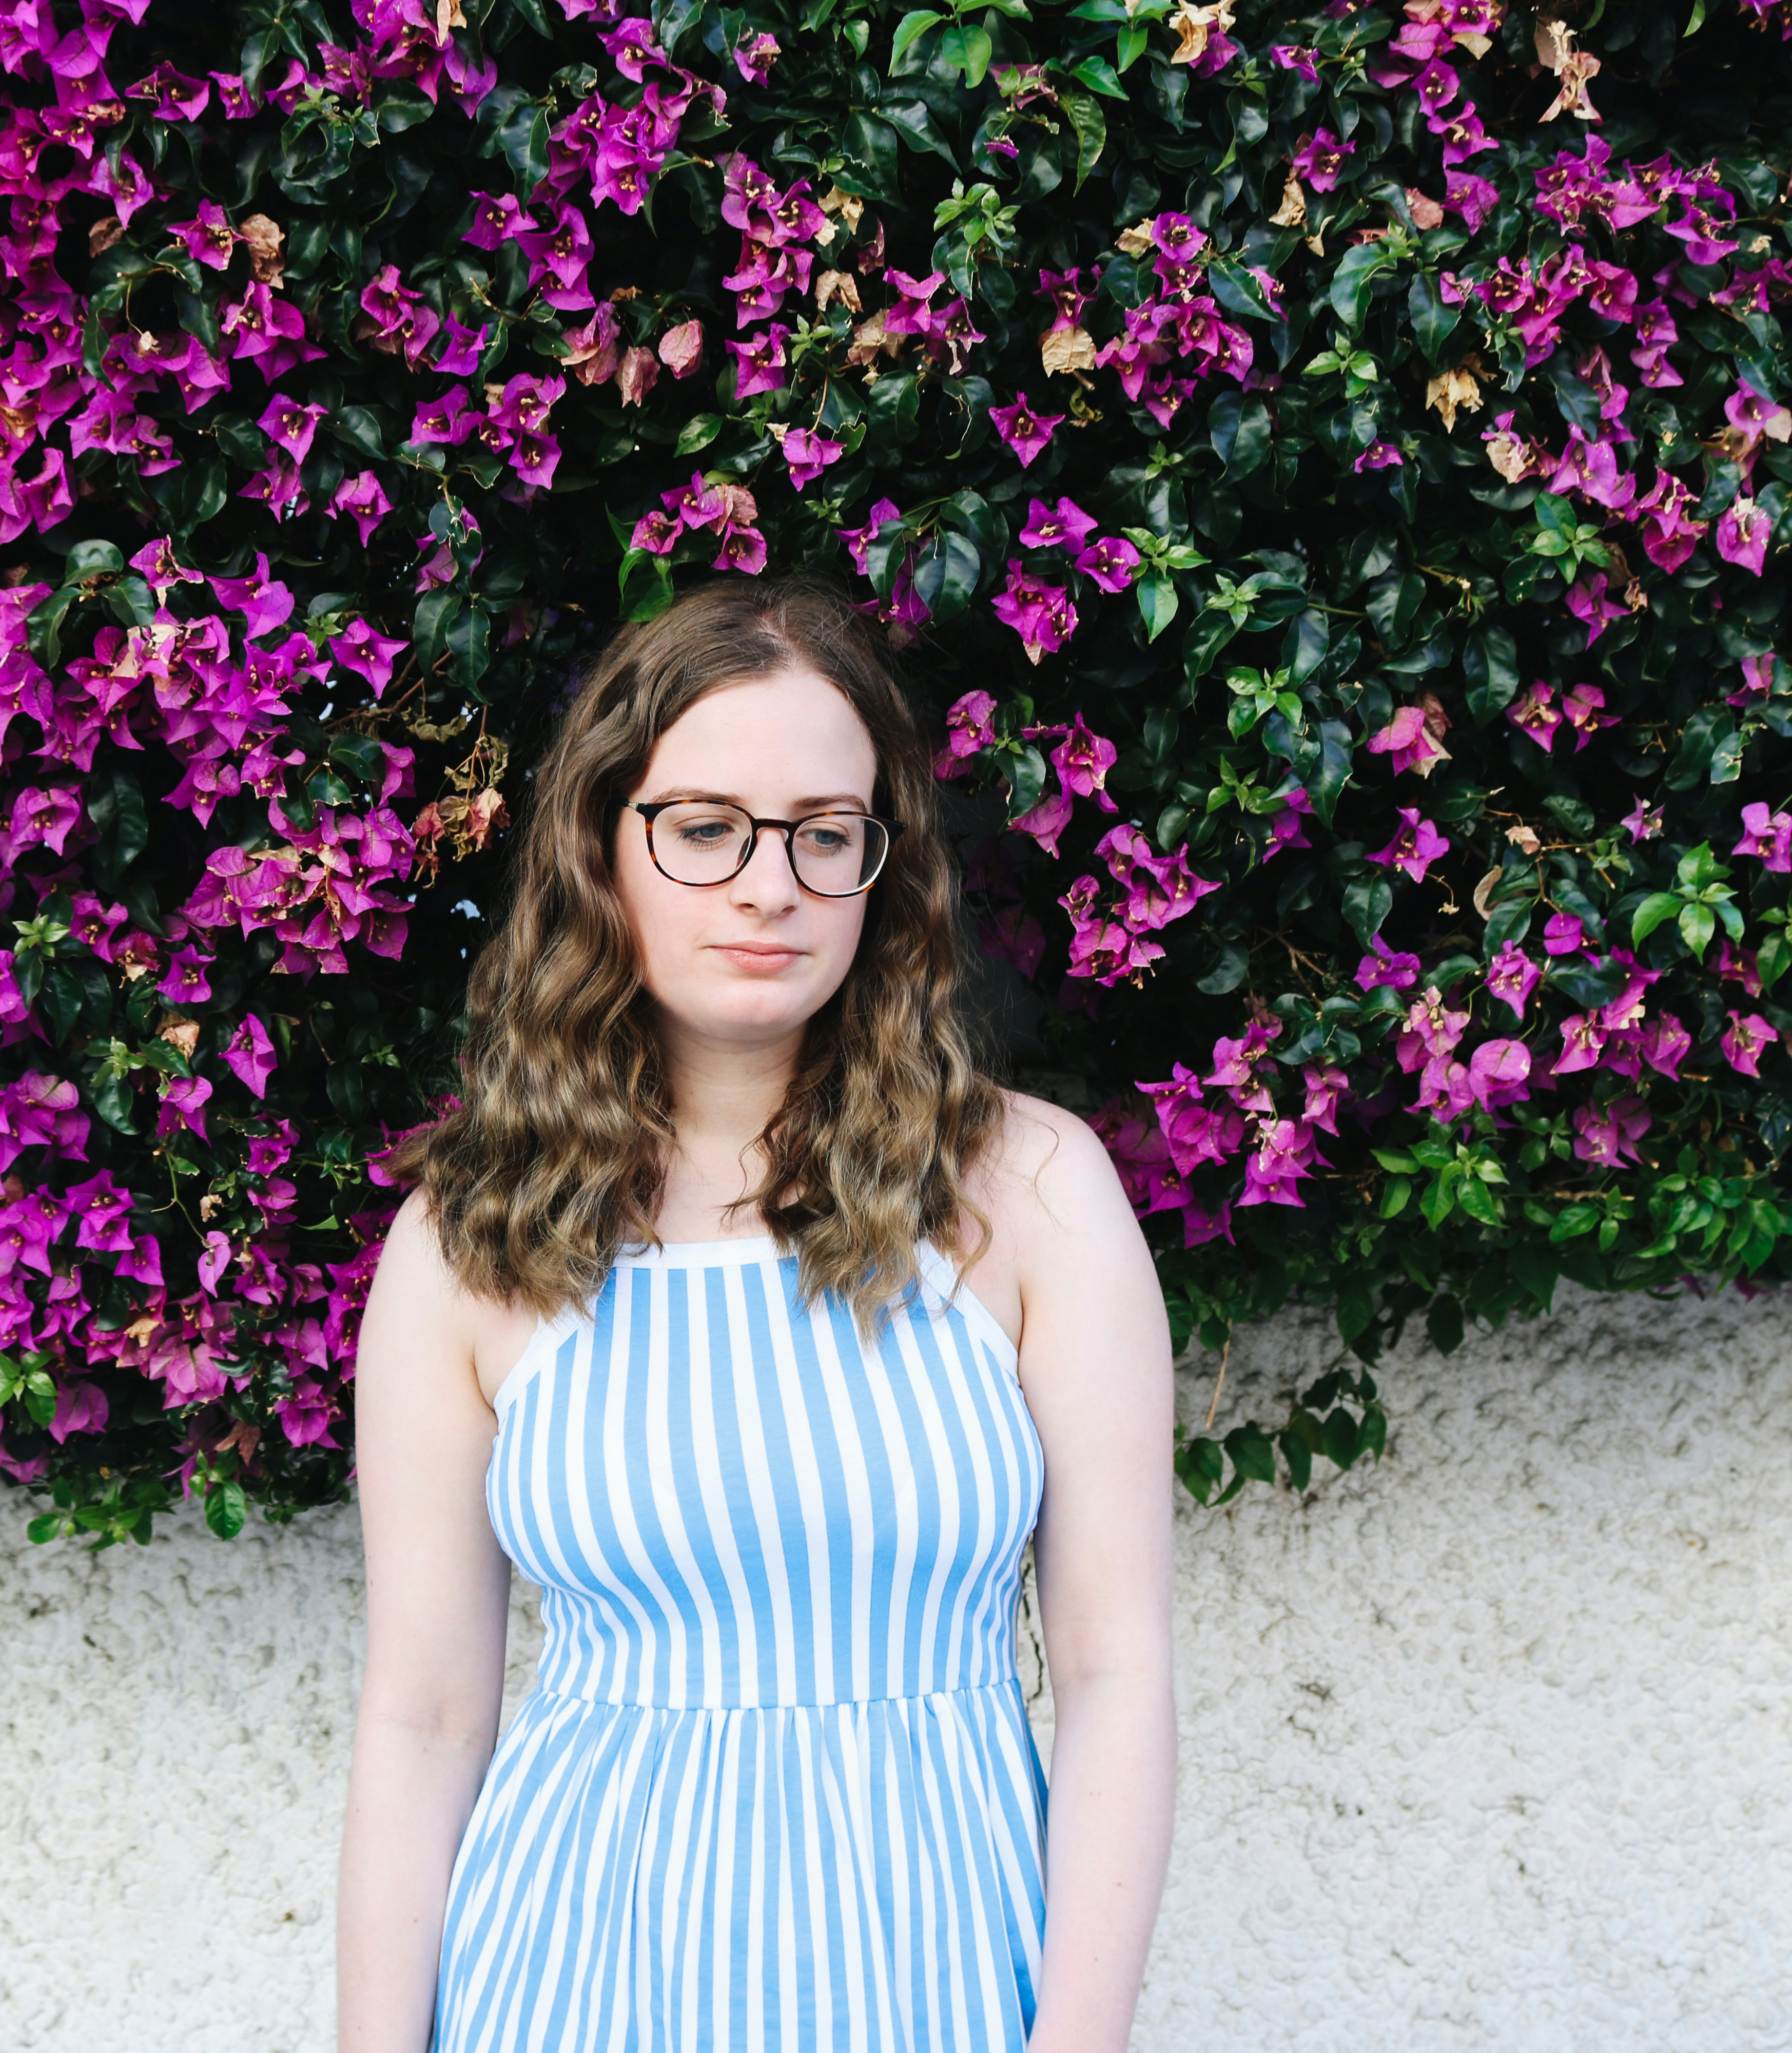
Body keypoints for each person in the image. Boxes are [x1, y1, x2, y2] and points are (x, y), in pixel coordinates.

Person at [336, 573, 1177, 2052]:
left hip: (939, 1980)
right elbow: (423, 1723)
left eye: (823, 835)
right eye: (706, 827)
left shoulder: (1031, 1193)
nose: (768, 885)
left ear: (881, 867)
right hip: (572, 1985)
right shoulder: (470, 1237)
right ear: (606, 846)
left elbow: (1115, 1677)